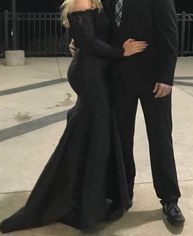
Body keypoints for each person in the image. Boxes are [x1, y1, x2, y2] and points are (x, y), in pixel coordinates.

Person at [0, 0, 147, 233]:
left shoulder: (97, 1)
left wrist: (79, 40)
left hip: (98, 73)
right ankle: (81, 204)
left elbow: (87, 36)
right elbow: (87, 42)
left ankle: (80, 194)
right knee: (98, 137)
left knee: (87, 134)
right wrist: (121, 52)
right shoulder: (80, 0)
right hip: (88, 75)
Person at [70, 0, 185, 227]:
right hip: (118, 78)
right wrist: (77, 39)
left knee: (160, 139)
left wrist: (166, 76)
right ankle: (124, 194)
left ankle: (169, 198)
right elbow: (99, 27)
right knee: (121, 139)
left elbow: (169, 31)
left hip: (154, 80)